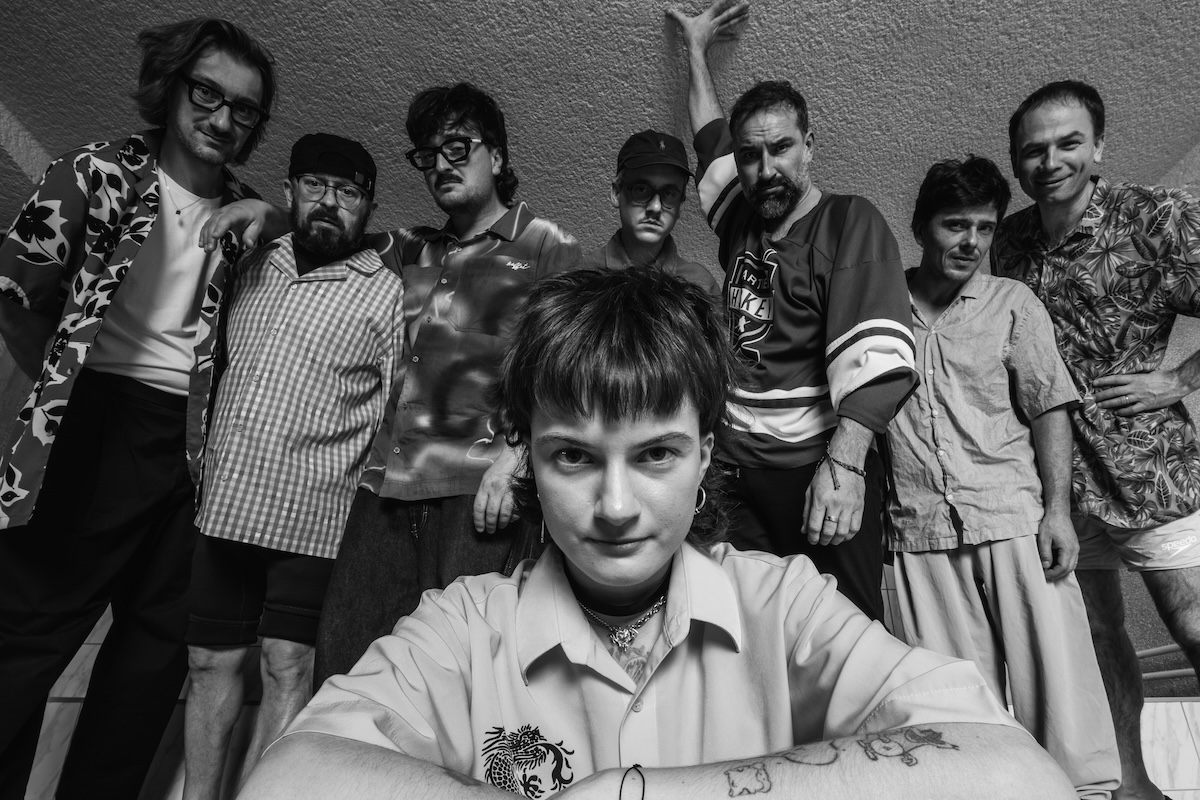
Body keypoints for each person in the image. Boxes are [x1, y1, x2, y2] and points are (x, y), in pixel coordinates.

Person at [236, 266, 1074, 800]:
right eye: (572, 456)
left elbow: (1017, 775)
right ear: (527, 457)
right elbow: (285, 779)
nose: (615, 506)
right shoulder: (461, 624)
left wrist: (634, 792)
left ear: (704, 456)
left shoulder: (783, 602)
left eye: (656, 455)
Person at [200, 82, 580, 686]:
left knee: (466, 675)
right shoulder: (410, 248)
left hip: (479, 493)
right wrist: (266, 213)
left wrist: (519, 459)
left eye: (458, 148)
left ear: (498, 156)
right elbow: (328, 230)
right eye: (427, 155)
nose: (440, 165)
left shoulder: (550, 246)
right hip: (380, 492)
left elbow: (570, 370)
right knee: (345, 665)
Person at [0, 19, 274, 799]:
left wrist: (278, 217)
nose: (222, 118)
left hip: (195, 447)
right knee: (26, 639)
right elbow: (16, 291)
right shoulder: (95, 171)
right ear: (173, 86)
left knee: (151, 660)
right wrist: (68, 387)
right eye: (207, 93)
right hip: (95, 419)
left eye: (244, 109)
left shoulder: (249, 213)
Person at [666, 0, 917, 619]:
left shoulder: (849, 221)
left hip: (814, 468)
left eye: (781, 149)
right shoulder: (741, 221)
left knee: (842, 626)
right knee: (748, 619)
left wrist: (847, 466)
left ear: (810, 146)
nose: (765, 168)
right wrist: (695, 50)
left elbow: (878, 356)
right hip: (735, 470)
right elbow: (710, 136)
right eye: (751, 155)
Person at [887, 155, 1120, 798]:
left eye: (985, 228)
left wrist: (1057, 513)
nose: (971, 242)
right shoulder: (879, 306)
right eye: (955, 225)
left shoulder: (1012, 303)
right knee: (954, 713)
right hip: (919, 535)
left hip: (1014, 520)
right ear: (921, 226)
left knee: (1063, 695)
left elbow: (1049, 407)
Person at [993, 79, 1200, 800]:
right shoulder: (1009, 240)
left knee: (1194, 624)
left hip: (1151, 469)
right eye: (1034, 150)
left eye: (1068, 143)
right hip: (1057, 481)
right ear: (1017, 161)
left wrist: (1177, 380)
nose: (1051, 161)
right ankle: (1133, 788)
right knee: (1099, 638)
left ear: (1099, 146)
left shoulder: (1156, 218)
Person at [182, 133, 404, 800]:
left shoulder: (386, 292)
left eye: (348, 192)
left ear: (368, 207)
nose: (329, 202)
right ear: (289, 192)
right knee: (207, 663)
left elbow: (396, 414)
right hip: (225, 504)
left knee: (286, 667)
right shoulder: (250, 262)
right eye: (315, 185)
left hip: (315, 518)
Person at [581, 129, 719, 295]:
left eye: (669, 194)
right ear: (617, 193)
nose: (655, 207)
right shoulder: (581, 279)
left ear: (680, 205)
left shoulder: (700, 286)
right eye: (641, 189)